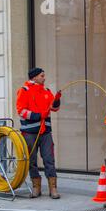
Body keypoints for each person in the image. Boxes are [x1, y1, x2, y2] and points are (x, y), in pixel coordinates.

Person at [16, 68, 62, 199]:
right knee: (32, 160)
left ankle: (53, 189)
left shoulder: (47, 91)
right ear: (34, 77)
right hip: (29, 133)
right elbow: (21, 110)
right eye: (42, 76)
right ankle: (36, 188)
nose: (44, 78)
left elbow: (54, 108)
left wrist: (57, 100)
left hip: (46, 132)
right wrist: (38, 115)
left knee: (49, 159)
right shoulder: (24, 91)